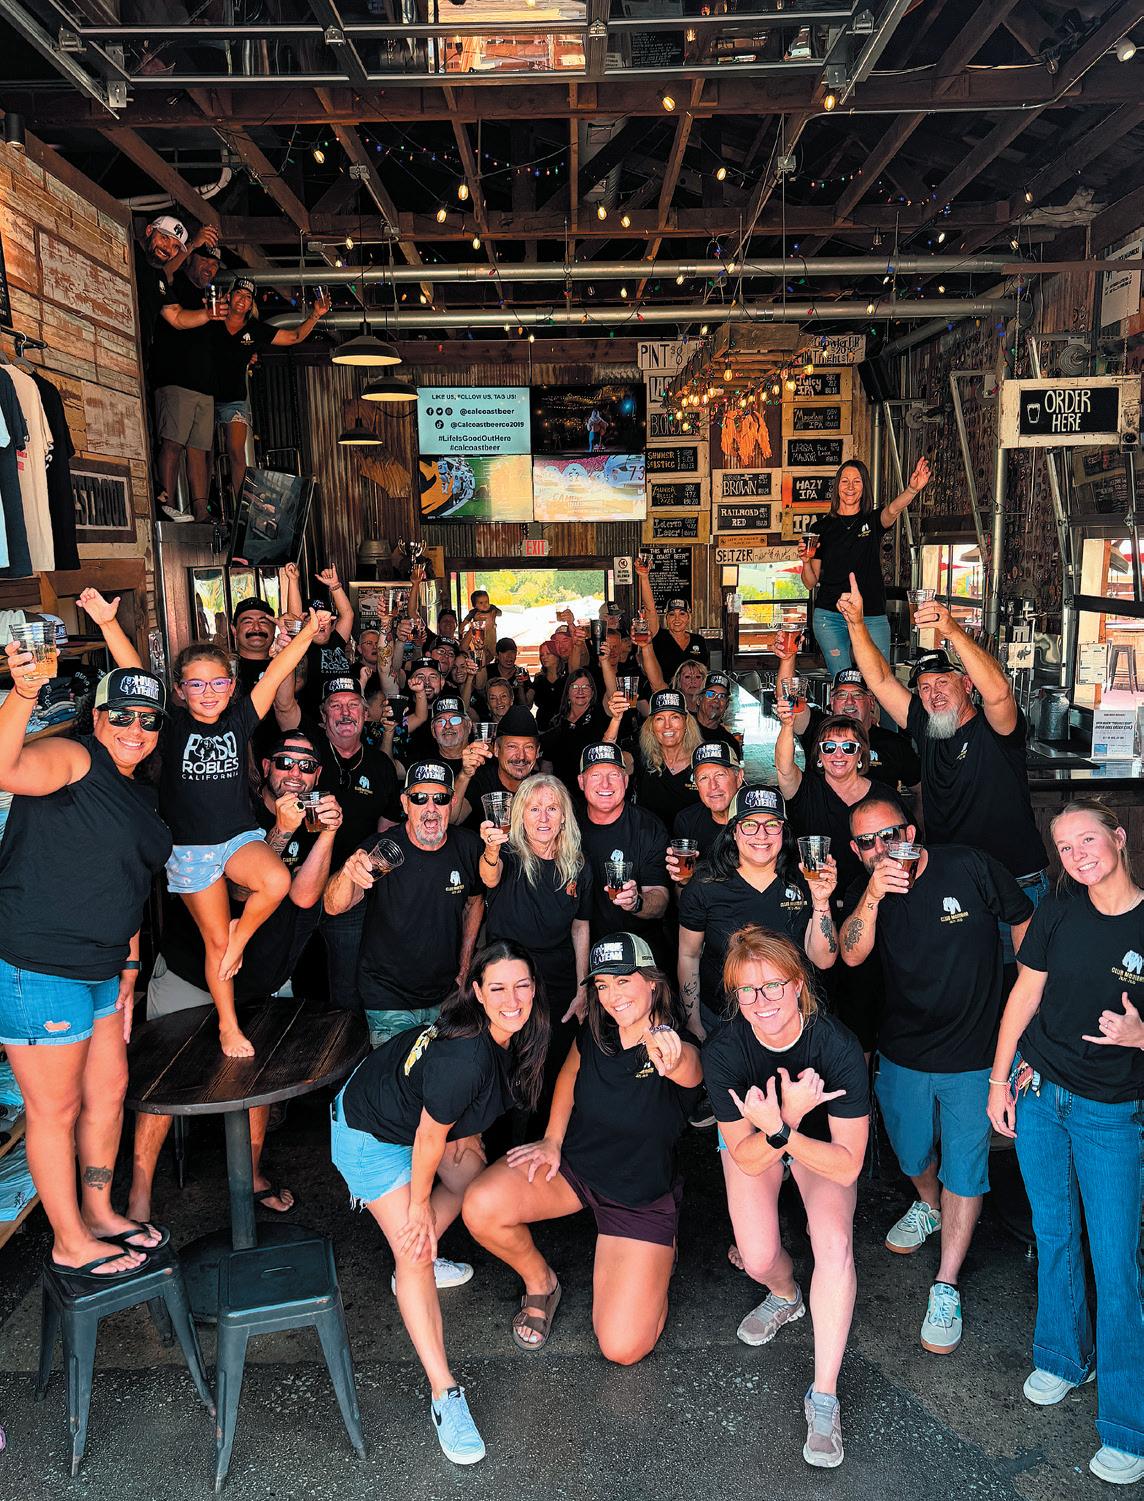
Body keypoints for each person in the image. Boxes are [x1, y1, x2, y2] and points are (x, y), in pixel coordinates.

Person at [330, 942, 549, 1465]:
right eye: (498, 988)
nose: (512, 999)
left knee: (477, 1187)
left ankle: (412, 1253)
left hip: (409, 1118)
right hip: (369, 1137)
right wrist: (417, 1207)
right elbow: (430, 1137)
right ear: (477, 993)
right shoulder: (466, 1056)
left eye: (521, 985)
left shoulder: (520, 1033)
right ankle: (443, 1393)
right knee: (416, 1251)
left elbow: (448, 1118)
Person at [84, 588, 325, 1058]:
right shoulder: (171, 726)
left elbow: (277, 670)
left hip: (237, 838)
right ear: (179, 690)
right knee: (214, 941)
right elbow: (137, 673)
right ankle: (228, 1027)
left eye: (217, 683)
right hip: (190, 850)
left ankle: (241, 936)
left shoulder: (240, 719)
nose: (208, 692)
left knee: (276, 880)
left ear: (232, 687)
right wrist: (108, 624)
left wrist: (310, 632)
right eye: (196, 685)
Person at [840, 790, 1032, 1355]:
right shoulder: (868, 892)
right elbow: (850, 954)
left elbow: (1023, 915)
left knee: (966, 1169)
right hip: (904, 1050)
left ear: (911, 832)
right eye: (868, 842)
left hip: (975, 1053)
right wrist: (874, 894)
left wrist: (1026, 994)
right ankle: (927, 1204)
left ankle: (946, 1283)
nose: (883, 849)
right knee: (911, 1152)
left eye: (891, 835)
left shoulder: (967, 865)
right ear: (856, 850)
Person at [987, 799, 1144, 1487]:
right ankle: (1062, 1355)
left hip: (1111, 1113)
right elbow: (1024, 995)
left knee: (1115, 1263)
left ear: (1119, 836)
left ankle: (1127, 1423)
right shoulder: (1056, 909)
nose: (1078, 855)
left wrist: (1141, 1036)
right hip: (1041, 1095)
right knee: (1053, 1233)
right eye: (1065, 846)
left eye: (1088, 839)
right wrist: (999, 1080)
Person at [0, 659, 172, 1279]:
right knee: (56, 1110)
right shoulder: (74, 759)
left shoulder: (140, 793)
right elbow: (4, 768)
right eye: (121, 715)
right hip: (40, 966)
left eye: (148, 720)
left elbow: (128, 882)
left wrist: (130, 964)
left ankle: (98, 1214)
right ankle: (68, 1240)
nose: (134, 729)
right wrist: (25, 691)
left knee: (109, 1091)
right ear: (96, 717)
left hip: (104, 968)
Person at [129, 728, 343, 1224]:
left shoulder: (311, 816)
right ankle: (138, 1194)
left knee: (257, 1084)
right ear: (265, 767)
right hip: (190, 971)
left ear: (317, 776)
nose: (295, 773)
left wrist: (327, 833)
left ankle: (251, 1176)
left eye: (307, 766)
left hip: (260, 979)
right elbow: (239, 895)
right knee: (163, 1085)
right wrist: (281, 833)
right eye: (286, 762)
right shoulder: (235, 809)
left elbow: (304, 896)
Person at [463, 931, 702, 1363]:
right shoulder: (596, 1030)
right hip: (575, 1171)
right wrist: (552, 1139)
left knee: (622, 1348)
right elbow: (570, 1074)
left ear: (652, 982)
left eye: (624, 981)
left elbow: (689, 1068)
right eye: (603, 985)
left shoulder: (674, 1043)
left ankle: (659, 1253)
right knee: (480, 1206)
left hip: (637, 1200)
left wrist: (670, 1054)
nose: (613, 996)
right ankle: (541, 1283)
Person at [704, 927, 870, 1470]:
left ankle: (824, 1397)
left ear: (798, 985)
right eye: (747, 991)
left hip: (817, 1147)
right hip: (762, 1142)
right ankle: (785, 1294)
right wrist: (785, 1121)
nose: (762, 1001)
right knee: (756, 1257)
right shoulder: (724, 1051)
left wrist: (785, 1128)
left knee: (834, 1243)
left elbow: (848, 1164)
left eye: (773, 985)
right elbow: (748, 1158)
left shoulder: (837, 1045)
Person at [836, 580, 1047, 965]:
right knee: (969, 981)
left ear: (966, 683)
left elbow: (999, 692)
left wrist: (950, 629)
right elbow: (879, 679)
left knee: (1022, 983)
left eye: (943, 683)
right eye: (924, 687)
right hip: (957, 883)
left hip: (1017, 881)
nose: (933, 694)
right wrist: (855, 624)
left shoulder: (996, 729)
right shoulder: (928, 727)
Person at [324, 761, 485, 1049]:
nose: (431, 808)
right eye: (419, 798)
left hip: (446, 997)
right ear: (405, 804)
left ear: (452, 803)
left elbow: (475, 902)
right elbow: (334, 906)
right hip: (388, 999)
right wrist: (348, 872)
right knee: (399, 1073)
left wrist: (464, 964)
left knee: (440, 1072)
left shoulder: (468, 846)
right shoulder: (384, 850)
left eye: (441, 798)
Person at [679, 785, 838, 1040]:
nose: (761, 835)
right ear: (733, 831)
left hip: (791, 1018)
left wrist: (821, 901)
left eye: (772, 824)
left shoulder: (805, 879)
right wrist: (693, 1021)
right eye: (750, 825)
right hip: (722, 1019)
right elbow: (689, 955)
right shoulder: (704, 885)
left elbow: (823, 960)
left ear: (783, 831)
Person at [478, 775, 592, 1112]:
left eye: (552, 809)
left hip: (557, 979)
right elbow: (489, 876)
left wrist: (582, 988)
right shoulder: (507, 852)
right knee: (505, 1064)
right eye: (534, 809)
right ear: (519, 815)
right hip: (509, 978)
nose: (543, 818)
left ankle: (546, 1134)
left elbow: (580, 926)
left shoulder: (578, 865)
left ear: (564, 816)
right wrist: (491, 849)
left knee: (553, 1065)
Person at [799, 456, 930, 672]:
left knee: (879, 677)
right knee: (842, 680)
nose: (850, 487)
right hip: (830, 616)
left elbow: (893, 510)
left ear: (864, 487)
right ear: (837, 486)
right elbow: (810, 582)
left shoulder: (872, 520)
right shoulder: (820, 528)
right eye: (845, 481)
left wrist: (912, 490)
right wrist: (805, 562)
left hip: (871, 613)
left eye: (857, 481)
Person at [210, 277, 330, 498]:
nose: (242, 299)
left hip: (235, 398)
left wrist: (315, 315)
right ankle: (202, 504)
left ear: (251, 304)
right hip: (203, 393)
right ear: (229, 296)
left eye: (248, 297)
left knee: (236, 453)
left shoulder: (254, 329)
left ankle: (240, 507)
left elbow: (294, 337)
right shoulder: (211, 319)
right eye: (239, 294)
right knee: (203, 452)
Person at [151, 240, 226, 523]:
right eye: (205, 261)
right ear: (190, 259)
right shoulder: (175, 284)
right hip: (175, 379)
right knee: (172, 444)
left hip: (205, 385)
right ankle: (166, 505)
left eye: (215, 265)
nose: (210, 268)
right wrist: (192, 242)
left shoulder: (209, 296)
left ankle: (201, 512)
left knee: (200, 451)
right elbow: (163, 273)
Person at [575, 741, 672, 954]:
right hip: (581, 949)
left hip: (638, 949)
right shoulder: (567, 826)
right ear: (581, 782)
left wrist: (636, 902)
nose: (606, 784)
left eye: (614, 775)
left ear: (626, 781)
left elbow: (660, 899)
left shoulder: (649, 827)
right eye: (595, 775)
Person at [779, 664, 921, 805]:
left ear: (871, 702)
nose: (849, 702)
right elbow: (788, 703)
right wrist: (787, 657)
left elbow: (921, 791)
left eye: (857, 695)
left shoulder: (895, 743)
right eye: (841, 695)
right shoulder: (818, 728)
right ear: (832, 702)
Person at [605, 687, 702, 828]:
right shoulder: (642, 756)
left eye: (674, 717)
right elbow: (606, 763)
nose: (667, 726)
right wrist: (616, 719)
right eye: (659, 718)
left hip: (692, 841)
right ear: (651, 726)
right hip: (648, 840)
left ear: (686, 723)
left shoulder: (702, 759)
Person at [453, 704, 540, 830]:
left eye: (528, 747)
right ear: (496, 750)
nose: (521, 756)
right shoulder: (481, 780)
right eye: (512, 746)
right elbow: (452, 819)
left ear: (537, 752)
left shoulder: (543, 786)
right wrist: (464, 776)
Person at [285, 564, 357, 714]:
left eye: (324, 619)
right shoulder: (303, 645)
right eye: (312, 620)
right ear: (303, 626)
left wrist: (335, 586)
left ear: (332, 623)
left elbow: (348, 614)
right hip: (313, 716)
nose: (320, 623)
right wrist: (293, 580)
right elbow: (295, 618)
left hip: (343, 713)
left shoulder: (337, 640)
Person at [669, 742, 744, 861]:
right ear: (697, 785)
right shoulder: (687, 821)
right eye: (703, 778)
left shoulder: (757, 822)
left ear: (739, 777)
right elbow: (685, 869)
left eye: (720, 775)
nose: (713, 786)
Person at [635, 558, 709, 677]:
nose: (677, 619)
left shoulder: (698, 640)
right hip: (662, 687)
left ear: (689, 617)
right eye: (672, 614)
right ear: (666, 618)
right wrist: (644, 577)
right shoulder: (658, 636)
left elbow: (704, 673)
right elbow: (650, 608)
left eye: (682, 614)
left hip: (691, 689)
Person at [540, 668, 612, 789]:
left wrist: (604, 661)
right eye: (574, 687)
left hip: (594, 789)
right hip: (562, 791)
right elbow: (547, 764)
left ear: (592, 692)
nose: (580, 691)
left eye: (585, 687)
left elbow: (612, 692)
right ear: (567, 692)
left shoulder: (600, 714)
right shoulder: (556, 722)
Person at [693, 671, 743, 754]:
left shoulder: (730, 744)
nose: (716, 700)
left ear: (726, 705)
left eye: (722, 696)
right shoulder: (683, 728)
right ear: (699, 699)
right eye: (710, 694)